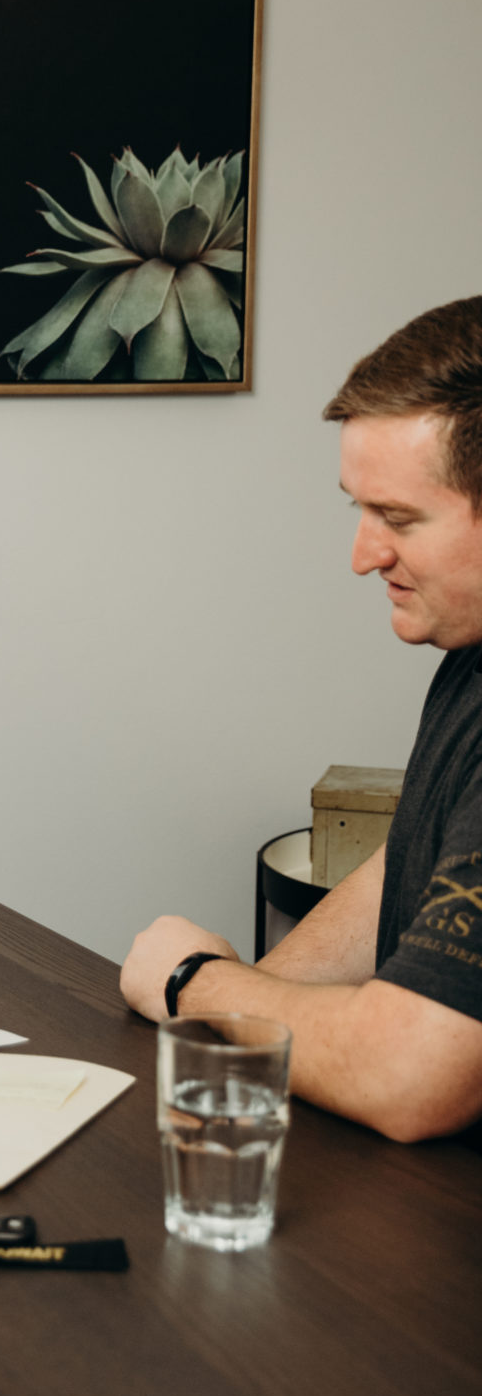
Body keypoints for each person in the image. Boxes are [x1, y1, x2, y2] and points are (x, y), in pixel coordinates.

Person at [121, 295, 482, 1142]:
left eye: (396, 518)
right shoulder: (468, 653)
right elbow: (417, 862)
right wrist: (245, 1018)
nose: (363, 555)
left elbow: (413, 1074)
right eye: (359, 509)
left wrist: (192, 982)